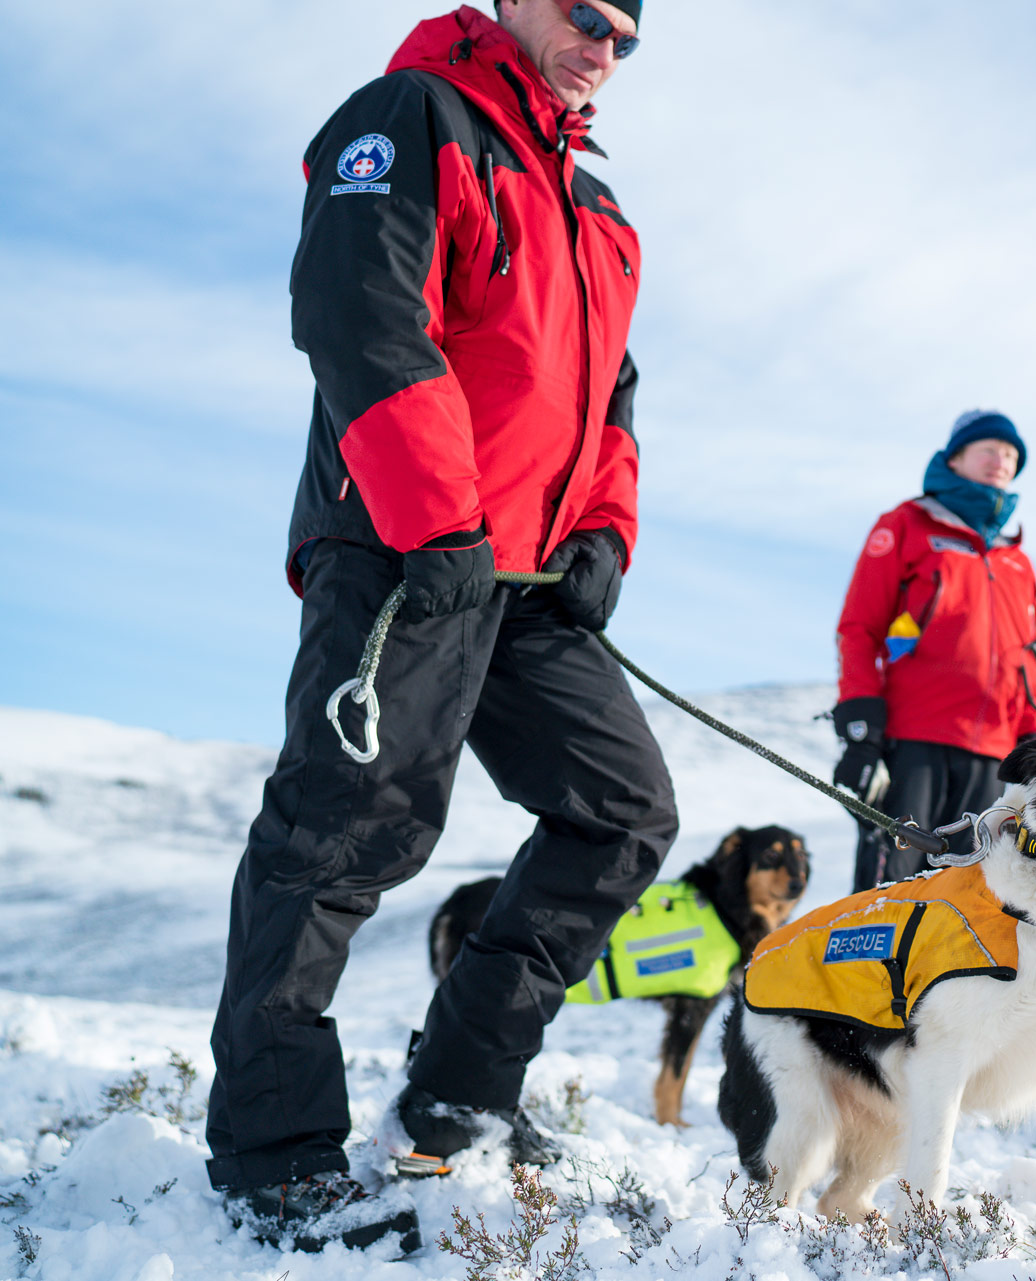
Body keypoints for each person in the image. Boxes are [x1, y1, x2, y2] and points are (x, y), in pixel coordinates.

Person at [205, 0, 677, 1250]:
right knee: (340, 838)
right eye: (588, 17)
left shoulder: (600, 211)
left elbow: (612, 395)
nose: (606, 47)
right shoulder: (413, 118)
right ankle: (275, 1156)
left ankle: (460, 1092)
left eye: (629, 37)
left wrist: (602, 536)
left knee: (621, 813)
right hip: (407, 554)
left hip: (528, 581)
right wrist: (436, 522)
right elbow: (361, 316)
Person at [831, 410, 1036, 890]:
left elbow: (1026, 659)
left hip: (992, 754)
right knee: (892, 890)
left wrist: (1035, 741)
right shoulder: (906, 525)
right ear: (956, 457)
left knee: (967, 898)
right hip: (914, 740)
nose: (1001, 461)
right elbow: (859, 627)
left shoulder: (1017, 560)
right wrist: (860, 716)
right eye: (988, 449)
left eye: (1011, 455)